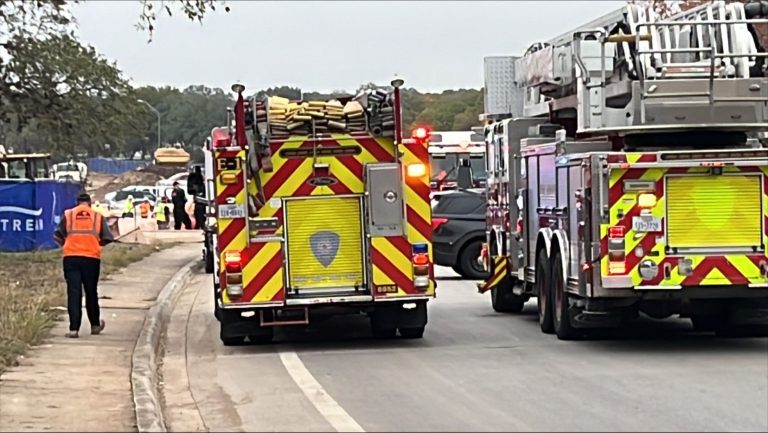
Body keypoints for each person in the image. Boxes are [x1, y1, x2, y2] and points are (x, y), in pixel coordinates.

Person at [53, 193, 114, 339]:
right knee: (91, 291)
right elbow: (106, 238)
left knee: (74, 292)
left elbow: (57, 235)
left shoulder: (69, 214)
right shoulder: (97, 216)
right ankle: (94, 325)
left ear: (77, 202)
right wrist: (96, 243)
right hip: (91, 258)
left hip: (71, 258)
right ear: (90, 203)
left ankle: (74, 329)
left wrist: (67, 244)